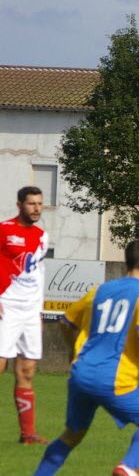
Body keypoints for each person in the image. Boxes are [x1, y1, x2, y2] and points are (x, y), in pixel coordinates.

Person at [16, 239, 139, 476]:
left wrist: (74, 352)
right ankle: (129, 466)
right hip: (113, 378)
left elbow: (65, 321)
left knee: (72, 434)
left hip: (81, 374)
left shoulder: (100, 290)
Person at [0, 186, 50, 445]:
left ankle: (28, 434)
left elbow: (38, 274)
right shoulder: (4, 229)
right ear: (20, 204)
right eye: (31, 204)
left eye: (39, 204)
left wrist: (38, 311)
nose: (36, 208)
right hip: (6, 305)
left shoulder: (42, 236)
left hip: (30, 310)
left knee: (27, 370)